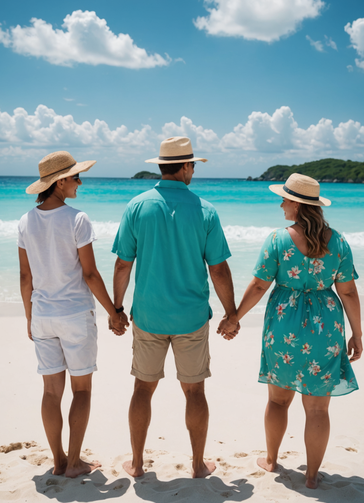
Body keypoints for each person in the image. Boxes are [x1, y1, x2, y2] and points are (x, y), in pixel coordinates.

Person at [218, 173, 363, 489]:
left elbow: (259, 285)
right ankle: (312, 476)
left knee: (278, 400)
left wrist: (234, 317)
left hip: (284, 327)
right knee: (317, 408)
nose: (281, 202)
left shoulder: (278, 240)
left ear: (297, 204)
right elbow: (348, 292)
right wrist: (357, 333)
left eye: (285, 198)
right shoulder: (338, 241)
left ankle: (271, 460)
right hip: (327, 327)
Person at [111, 136, 239, 479]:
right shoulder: (205, 210)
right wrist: (232, 313)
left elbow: (123, 264)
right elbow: (218, 269)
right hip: (191, 317)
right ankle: (198, 465)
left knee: (142, 388)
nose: (194, 171)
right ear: (183, 167)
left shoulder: (137, 206)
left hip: (149, 315)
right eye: (193, 165)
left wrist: (117, 308)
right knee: (194, 390)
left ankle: (137, 464)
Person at [18, 151, 129, 478]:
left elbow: (26, 278)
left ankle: (57, 460)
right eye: (76, 177)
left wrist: (29, 317)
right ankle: (74, 462)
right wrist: (114, 313)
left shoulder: (26, 221)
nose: (80, 182)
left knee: (51, 392)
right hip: (75, 315)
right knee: (81, 391)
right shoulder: (77, 219)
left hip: (43, 315)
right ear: (60, 181)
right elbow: (90, 274)